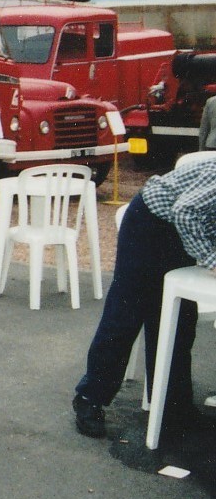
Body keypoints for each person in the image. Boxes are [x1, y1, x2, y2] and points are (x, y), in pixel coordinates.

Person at [72, 159, 216, 440]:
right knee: (126, 314)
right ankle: (90, 398)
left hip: (178, 232)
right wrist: (212, 260)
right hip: (149, 223)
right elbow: (185, 211)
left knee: (178, 319)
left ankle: (174, 406)